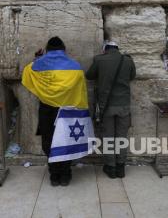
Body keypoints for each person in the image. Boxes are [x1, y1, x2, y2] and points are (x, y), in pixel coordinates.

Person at [22, 37, 88, 186]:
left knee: (49, 141)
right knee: (66, 141)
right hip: (67, 111)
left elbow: (27, 73)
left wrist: (38, 58)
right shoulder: (75, 66)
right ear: (63, 49)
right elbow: (80, 90)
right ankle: (65, 175)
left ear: (47, 49)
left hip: (47, 110)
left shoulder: (38, 65)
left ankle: (54, 175)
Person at [86, 41, 136, 178]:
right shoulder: (127, 61)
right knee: (121, 137)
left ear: (104, 50)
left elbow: (89, 75)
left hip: (106, 106)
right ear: (117, 49)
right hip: (123, 105)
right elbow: (132, 76)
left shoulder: (99, 59)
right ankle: (121, 168)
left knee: (108, 137)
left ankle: (111, 167)